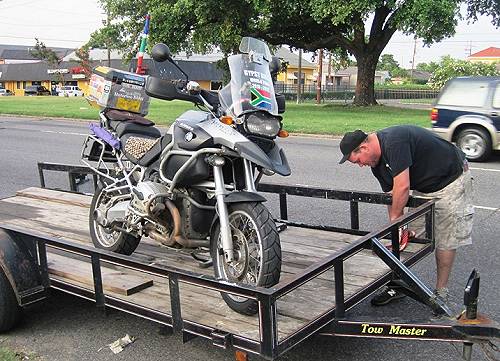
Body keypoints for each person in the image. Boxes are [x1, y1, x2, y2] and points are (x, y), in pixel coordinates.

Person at [339, 125, 473, 306]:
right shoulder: (376, 164)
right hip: (424, 186)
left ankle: (441, 291)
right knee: (412, 238)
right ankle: (399, 284)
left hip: (450, 179)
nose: (361, 165)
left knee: (445, 237)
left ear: (364, 148)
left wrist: (397, 222)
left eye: (358, 161)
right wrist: (399, 228)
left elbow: (402, 187)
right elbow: (392, 198)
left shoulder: (395, 141)